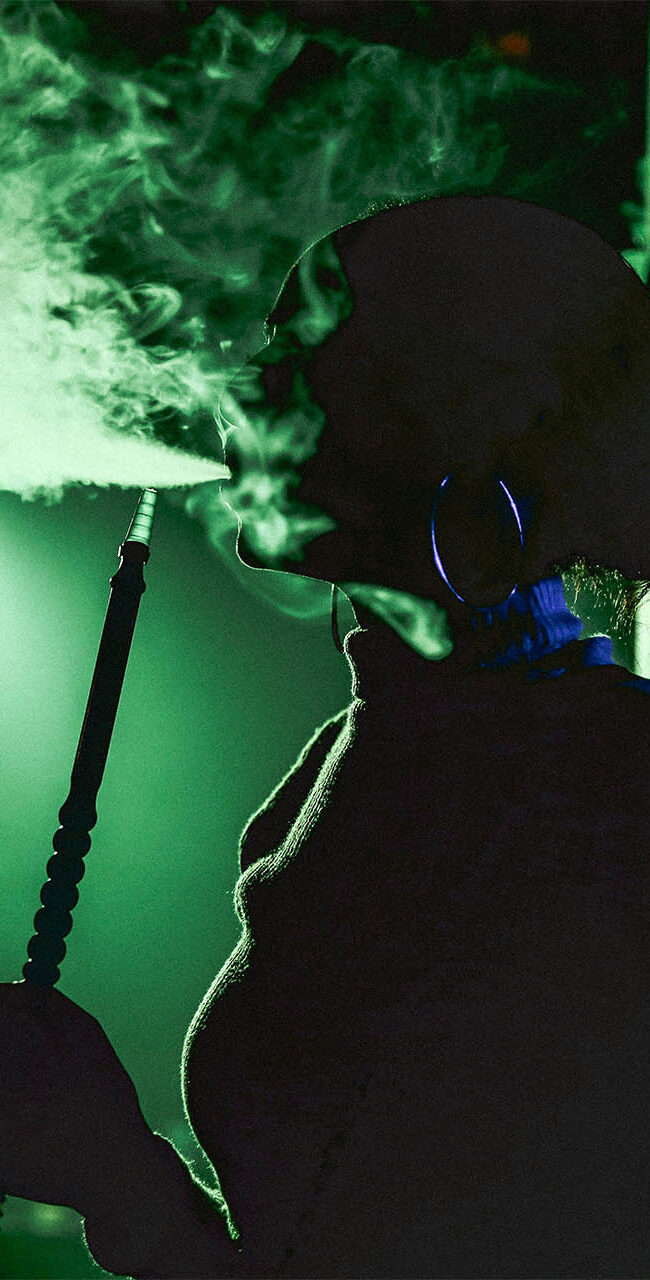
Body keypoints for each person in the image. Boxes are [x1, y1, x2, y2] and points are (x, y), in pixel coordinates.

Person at [1, 195, 650, 1280]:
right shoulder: (372, 748)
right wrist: (115, 1174)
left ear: (455, 418)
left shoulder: (596, 810)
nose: (236, 387)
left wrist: (117, 1177)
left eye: (303, 346)